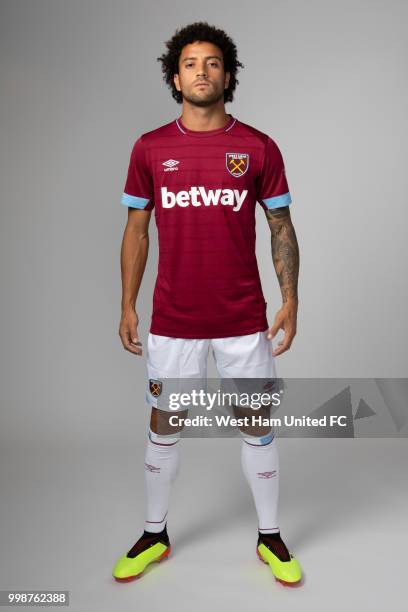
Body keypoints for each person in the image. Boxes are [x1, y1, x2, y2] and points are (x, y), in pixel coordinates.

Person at [112, 21, 302, 587]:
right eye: (191, 63)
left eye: (213, 62)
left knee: (256, 423)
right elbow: (136, 230)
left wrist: (290, 297)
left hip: (243, 318)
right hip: (174, 320)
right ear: (176, 76)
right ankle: (155, 533)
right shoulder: (150, 147)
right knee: (165, 422)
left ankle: (270, 537)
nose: (202, 70)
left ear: (229, 75)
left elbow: (281, 226)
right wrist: (127, 304)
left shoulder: (257, 147)